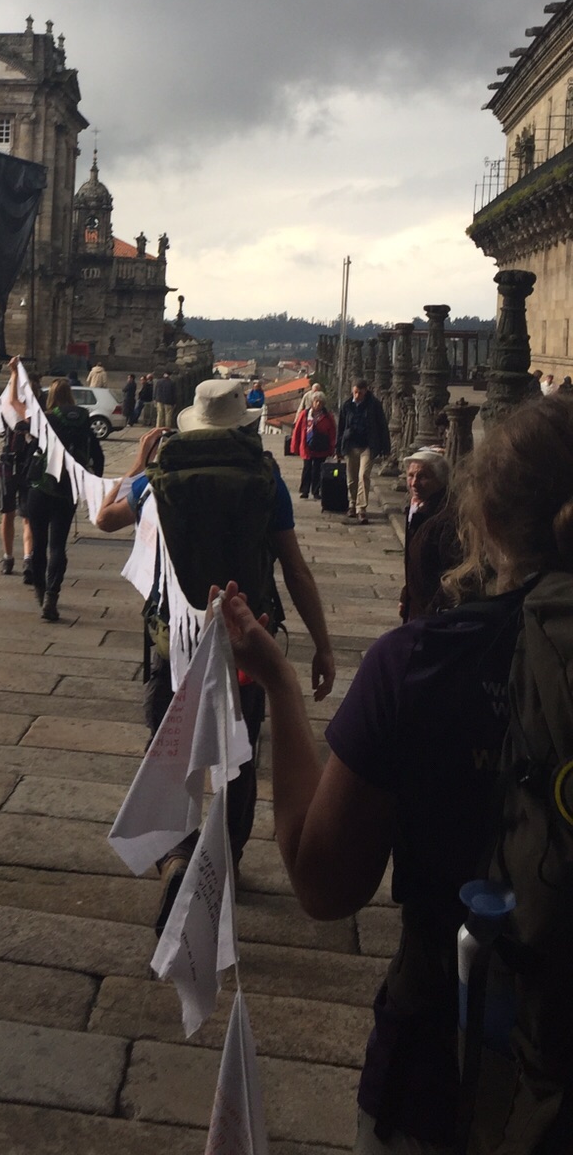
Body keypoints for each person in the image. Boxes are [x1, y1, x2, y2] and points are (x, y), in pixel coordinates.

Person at [218, 397, 573, 1154]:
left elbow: (323, 883)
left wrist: (280, 684)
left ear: (487, 518)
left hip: (446, 1067)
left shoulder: (419, 662)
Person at [95, 377, 335, 930]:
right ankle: (222, 862)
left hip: (171, 637)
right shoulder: (264, 478)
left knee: (169, 751)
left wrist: (135, 464)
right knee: (238, 757)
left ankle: (177, 857)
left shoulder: (160, 476)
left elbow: (103, 518)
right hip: (244, 638)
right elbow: (294, 568)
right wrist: (322, 645)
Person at [23, 371, 104, 622]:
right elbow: (98, 457)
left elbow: (30, 450)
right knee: (58, 545)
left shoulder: (47, 419)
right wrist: (91, 483)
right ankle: (52, 595)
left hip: (41, 487)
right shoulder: (84, 422)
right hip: (67, 491)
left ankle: (39, 591)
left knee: (38, 543)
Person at [399, 446, 460, 622]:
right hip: (417, 608)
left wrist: (430, 613)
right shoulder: (420, 507)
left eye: (423, 476)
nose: (414, 483)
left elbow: (451, 573)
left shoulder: (444, 517)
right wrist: (406, 596)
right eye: (411, 476)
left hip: (431, 615)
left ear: (440, 480)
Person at [0, 362, 36, 577]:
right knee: (22, 516)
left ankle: (10, 557)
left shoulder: (25, 411)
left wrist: (13, 373)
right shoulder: (38, 414)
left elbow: (11, 401)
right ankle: (25, 558)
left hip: (11, 464)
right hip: (26, 467)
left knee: (10, 514)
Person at [336, 377, 392, 525]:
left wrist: (386, 448)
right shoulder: (347, 406)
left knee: (363, 476)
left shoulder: (374, 405)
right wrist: (338, 448)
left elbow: (382, 426)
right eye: (354, 392)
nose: (356, 396)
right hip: (350, 445)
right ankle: (352, 504)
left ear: (365, 391)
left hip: (368, 446)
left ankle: (362, 509)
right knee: (351, 478)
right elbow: (340, 428)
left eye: (359, 393)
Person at [289, 390, 336, 500]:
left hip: (321, 447)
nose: (318, 404)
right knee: (307, 469)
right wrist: (294, 446)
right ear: (312, 402)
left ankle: (316, 490)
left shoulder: (328, 417)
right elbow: (297, 431)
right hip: (307, 447)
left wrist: (332, 448)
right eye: (316, 401)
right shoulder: (305, 414)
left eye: (320, 402)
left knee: (318, 469)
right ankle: (304, 490)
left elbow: (332, 433)